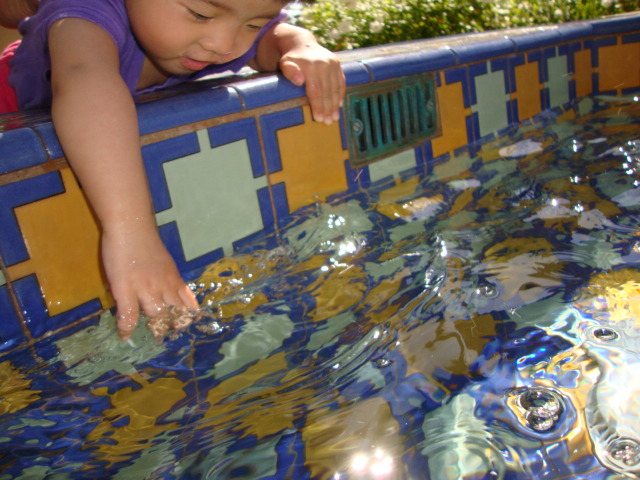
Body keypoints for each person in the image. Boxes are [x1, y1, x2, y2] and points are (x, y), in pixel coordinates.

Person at [0, 0, 346, 340]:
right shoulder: (85, 14)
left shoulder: (218, 28)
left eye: (251, 24)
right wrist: (131, 229)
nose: (224, 44)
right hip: (13, 111)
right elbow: (85, 78)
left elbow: (271, 39)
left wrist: (301, 44)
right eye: (200, 13)